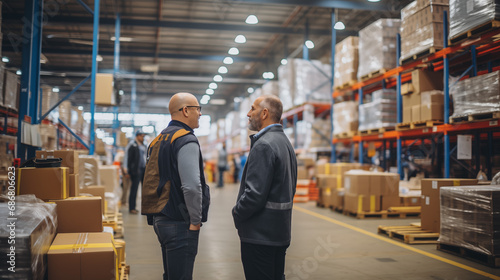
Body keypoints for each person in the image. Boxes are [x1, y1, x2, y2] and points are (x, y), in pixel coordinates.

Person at [141, 92, 210, 280]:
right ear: (186, 111)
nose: (200, 114)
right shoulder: (185, 139)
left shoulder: (157, 140)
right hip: (179, 222)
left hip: (161, 218)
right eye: (198, 109)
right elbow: (192, 186)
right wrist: (195, 221)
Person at [232, 95, 297, 280]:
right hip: (279, 232)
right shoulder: (284, 142)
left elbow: (254, 195)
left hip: (260, 235)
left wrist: (237, 213)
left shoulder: (264, 145)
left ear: (264, 113)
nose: (248, 113)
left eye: (252, 108)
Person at [127, 130, 147, 214]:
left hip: (143, 170)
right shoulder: (133, 146)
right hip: (135, 171)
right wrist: (128, 170)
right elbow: (129, 159)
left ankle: (145, 208)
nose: (142, 138)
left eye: (143, 136)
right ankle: (132, 208)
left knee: (145, 190)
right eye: (141, 136)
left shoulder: (144, 146)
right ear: (137, 136)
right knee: (134, 190)